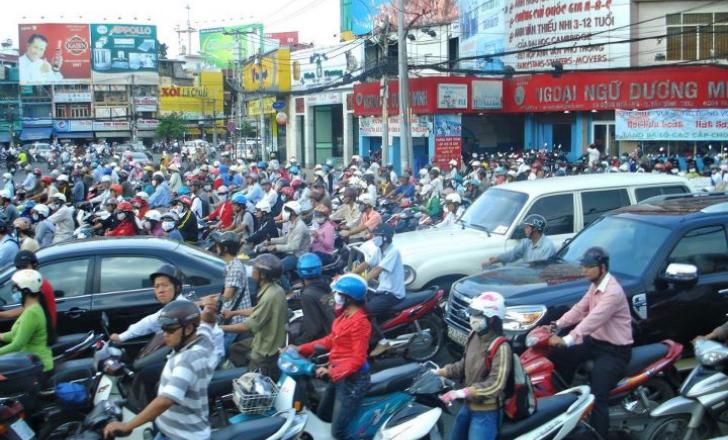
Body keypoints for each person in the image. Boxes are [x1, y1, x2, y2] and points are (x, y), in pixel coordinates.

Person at [103, 298, 219, 440]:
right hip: (170, 429)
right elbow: (208, 323)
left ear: (188, 329)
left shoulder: (188, 359)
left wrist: (127, 426)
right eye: (163, 329)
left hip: (182, 436)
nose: (165, 334)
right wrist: (209, 311)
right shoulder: (202, 339)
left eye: (170, 330)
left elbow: (165, 400)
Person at [548, 247, 633, 439]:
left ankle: (598, 435)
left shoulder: (612, 292)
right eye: (583, 266)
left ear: (602, 267)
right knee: (560, 357)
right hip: (595, 342)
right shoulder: (595, 285)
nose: (584, 270)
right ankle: (564, 407)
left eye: (589, 267)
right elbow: (579, 309)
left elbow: (592, 320)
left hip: (615, 351)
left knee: (598, 395)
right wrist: (556, 325)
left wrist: (566, 339)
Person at [293, 274, 372, 440]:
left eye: (338, 294)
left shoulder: (360, 323)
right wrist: (300, 348)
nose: (335, 296)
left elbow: (357, 359)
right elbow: (330, 340)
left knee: (338, 432)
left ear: (349, 298)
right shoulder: (344, 316)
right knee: (322, 416)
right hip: (337, 374)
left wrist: (331, 373)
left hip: (353, 381)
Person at [434, 292, 512, 440]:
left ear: (492, 319)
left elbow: (496, 385)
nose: (472, 318)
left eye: (477, 315)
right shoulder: (474, 336)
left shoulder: (501, 347)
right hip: (468, 404)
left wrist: (462, 392)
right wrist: (441, 372)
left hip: (486, 413)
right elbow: (464, 364)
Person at [223, 254, 287, 378]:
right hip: (264, 338)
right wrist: (233, 313)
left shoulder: (270, 296)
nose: (252, 271)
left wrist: (219, 327)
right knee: (236, 349)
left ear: (262, 275)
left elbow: (247, 326)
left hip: (266, 349)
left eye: (254, 269)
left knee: (251, 382)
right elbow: (258, 310)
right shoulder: (275, 289)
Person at [354, 223, 405, 355]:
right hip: (382, 290)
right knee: (360, 305)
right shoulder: (380, 250)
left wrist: (361, 281)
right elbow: (366, 264)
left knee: (365, 312)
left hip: (392, 293)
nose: (374, 238)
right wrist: (348, 276)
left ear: (386, 238)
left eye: (377, 236)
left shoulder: (393, 252)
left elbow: (377, 270)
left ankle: (382, 342)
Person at [0, 269, 55, 373]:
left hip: (37, 366)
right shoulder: (32, 308)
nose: (14, 293)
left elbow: (17, 345)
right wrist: (1, 336)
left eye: (16, 289)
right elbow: (16, 334)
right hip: (31, 362)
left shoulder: (31, 313)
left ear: (25, 291)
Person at [213, 231, 251, 353]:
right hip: (230, 315)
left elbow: (228, 295)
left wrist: (208, 301)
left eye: (218, 245)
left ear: (225, 248)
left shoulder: (235, 268)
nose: (216, 248)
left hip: (235, 320)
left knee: (218, 353)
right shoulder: (232, 265)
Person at [0, 251, 57, 327]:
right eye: (19, 268)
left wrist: (2, 314)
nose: (22, 271)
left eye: (24, 267)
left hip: (44, 331)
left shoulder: (38, 285)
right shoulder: (30, 283)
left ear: (34, 265)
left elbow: (27, 309)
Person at [263, 201, 311, 282]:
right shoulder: (293, 223)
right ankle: (289, 278)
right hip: (292, 253)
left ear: (293, 212)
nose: (284, 212)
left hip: (299, 256)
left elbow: (293, 246)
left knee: (276, 268)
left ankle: (287, 289)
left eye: (287, 210)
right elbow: (286, 239)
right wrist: (271, 241)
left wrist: (275, 247)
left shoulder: (300, 226)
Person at [483, 214, 556, 267]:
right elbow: (513, 254)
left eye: (527, 227)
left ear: (535, 229)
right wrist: (496, 259)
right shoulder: (527, 242)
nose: (525, 230)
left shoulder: (548, 246)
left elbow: (541, 268)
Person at [295, 253, 335, 344]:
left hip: (324, 338)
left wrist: (298, 343)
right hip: (332, 330)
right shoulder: (325, 285)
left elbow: (313, 329)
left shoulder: (308, 295)